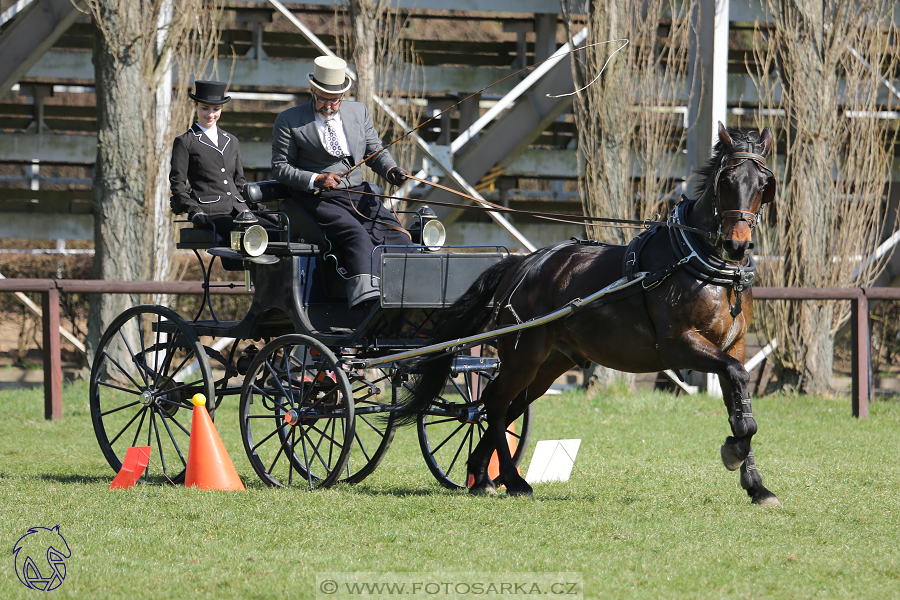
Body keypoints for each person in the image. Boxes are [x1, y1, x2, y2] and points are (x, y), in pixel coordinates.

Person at [271, 55, 415, 309]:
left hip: (359, 194)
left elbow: (375, 152)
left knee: (396, 235)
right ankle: (367, 303)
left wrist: (391, 169)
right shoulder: (289, 120)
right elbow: (280, 168)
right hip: (318, 198)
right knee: (356, 236)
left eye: (334, 100)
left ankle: (408, 292)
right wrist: (316, 179)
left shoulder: (358, 112)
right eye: (323, 98)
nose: (328, 105)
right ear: (313, 91)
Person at [169, 80, 270, 244]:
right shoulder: (185, 142)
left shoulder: (232, 141)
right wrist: (195, 211)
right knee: (249, 236)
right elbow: (177, 185)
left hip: (239, 210)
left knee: (276, 232)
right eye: (205, 108)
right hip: (211, 212)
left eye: (216, 109)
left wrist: (258, 208)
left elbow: (239, 182)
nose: (210, 114)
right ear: (195, 105)